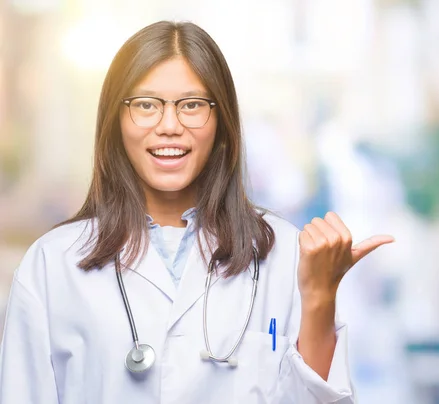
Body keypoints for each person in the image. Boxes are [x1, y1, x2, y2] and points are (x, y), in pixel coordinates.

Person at [0, 21, 393, 403]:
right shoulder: (52, 264)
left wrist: (321, 297)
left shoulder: (283, 252)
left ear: (222, 123)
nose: (169, 125)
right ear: (115, 121)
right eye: (146, 104)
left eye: (191, 105)